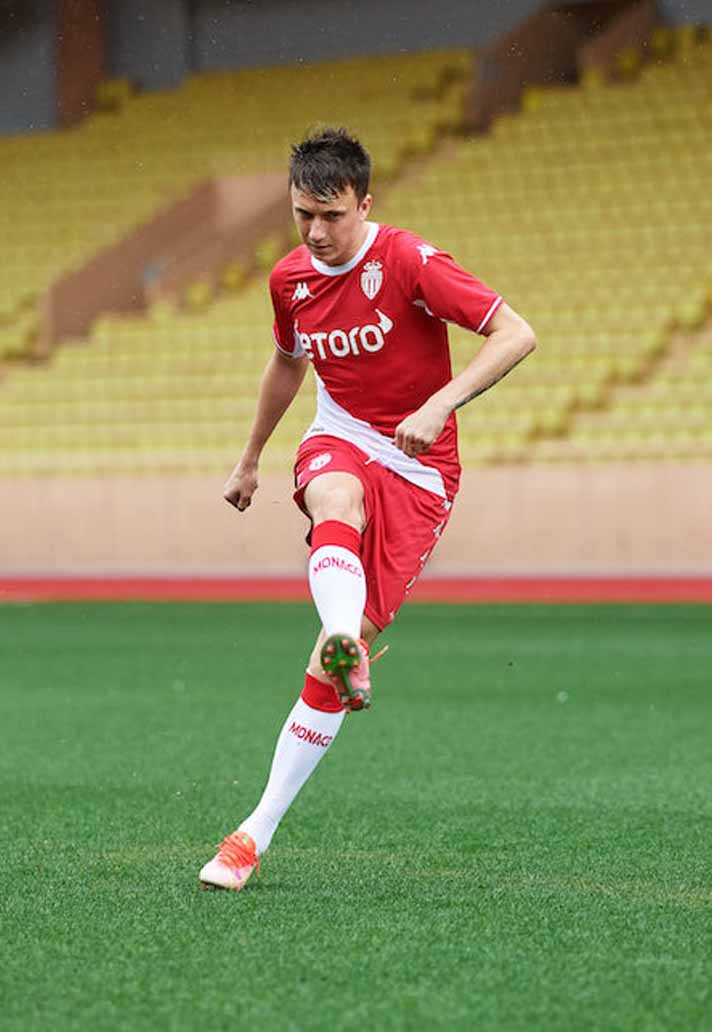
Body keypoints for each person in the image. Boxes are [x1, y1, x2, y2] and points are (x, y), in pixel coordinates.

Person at [199, 127, 535, 891]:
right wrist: (250, 458)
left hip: (421, 470)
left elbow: (516, 334)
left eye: (332, 216)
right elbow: (287, 364)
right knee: (333, 494)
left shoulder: (409, 261)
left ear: (365, 205)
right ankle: (250, 838)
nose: (316, 233)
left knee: (322, 670)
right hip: (341, 436)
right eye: (302, 215)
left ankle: (340, 647)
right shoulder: (289, 280)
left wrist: (442, 402)